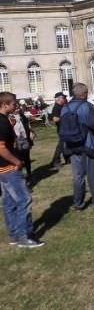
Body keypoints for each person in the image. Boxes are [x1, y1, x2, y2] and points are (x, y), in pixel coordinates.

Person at [0, 92, 44, 248]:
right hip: (9, 168)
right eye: (13, 104)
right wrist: (17, 161)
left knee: (9, 202)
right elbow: (1, 148)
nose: (16, 106)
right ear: (5, 105)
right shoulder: (2, 122)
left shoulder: (5, 120)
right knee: (24, 200)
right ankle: (24, 236)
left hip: (3, 169)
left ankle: (14, 234)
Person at [61, 83, 94, 211]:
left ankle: (78, 203)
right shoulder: (86, 107)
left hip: (71, 146)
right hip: (87, 146)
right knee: (93, 175)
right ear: (84, 94)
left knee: (78, 176)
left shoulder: (64, 108)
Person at [10, 104, 35, 181]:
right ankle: (20, 177)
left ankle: (29, 173)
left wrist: (31, 133)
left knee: (27, 157)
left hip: (24, 139)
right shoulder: (10, 117)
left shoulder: (22, 116)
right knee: (19, 159)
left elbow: (27, 126)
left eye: (18, 108)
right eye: (16, 108)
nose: (17, 109)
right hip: (16, 140)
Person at [50, 92, 68, 168]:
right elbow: (55, 119)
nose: (64, 99)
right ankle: (55, 161)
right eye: (63, 97)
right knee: (60, 146)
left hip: (65, 129)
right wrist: (65, 118)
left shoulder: (62, 106)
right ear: (58, 99)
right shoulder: (56, 107)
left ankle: (67, 159)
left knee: (65, 145)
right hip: (61, 130)